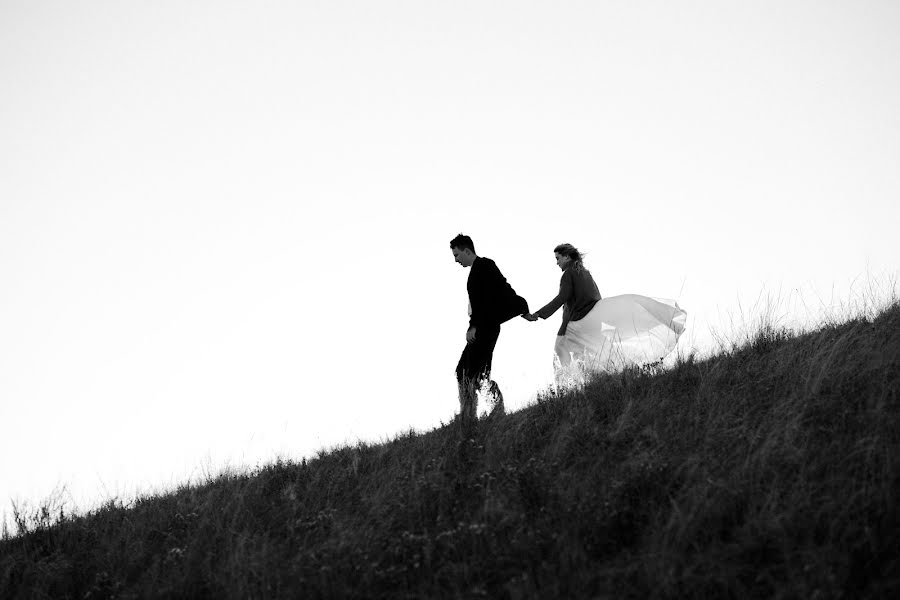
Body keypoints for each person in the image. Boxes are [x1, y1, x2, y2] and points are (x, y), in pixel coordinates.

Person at [525, 243, 686, 386]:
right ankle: (603, 381)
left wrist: (539, 314)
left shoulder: (568, 274)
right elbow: (596, 297)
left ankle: (566, 388)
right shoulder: (585, 272)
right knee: (591, 354)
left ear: (567, 256)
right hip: (593, 318)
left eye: (558, 258)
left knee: (561, 348)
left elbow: (562, 298)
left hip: (579, 321)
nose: (557, 262)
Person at [450, 233, 529, 429]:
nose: (456, 260)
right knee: (463, 371)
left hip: (486, 328)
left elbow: (502, 290)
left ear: (467, 251)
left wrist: (522, 308)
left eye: (457, 255)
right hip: (481, 327)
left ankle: (492, 412)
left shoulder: (485, 266)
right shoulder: (475, 270)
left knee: (476, 375)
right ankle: (468, 416)